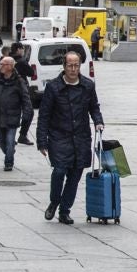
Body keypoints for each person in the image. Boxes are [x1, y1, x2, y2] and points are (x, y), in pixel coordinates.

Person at [36, 49, 103, 224]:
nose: (73, 69)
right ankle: (54, 201)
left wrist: (98, 121)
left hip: (81, 137)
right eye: (70, 65)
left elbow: (94, 107)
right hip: (59, 136)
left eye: (76, 65)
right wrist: (42, 141)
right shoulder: (53, 87)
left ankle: (64, 210)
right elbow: (44, 115)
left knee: (75, 176)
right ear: (64, 66)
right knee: (59, 171)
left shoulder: (88, 85)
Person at [0, 53, 35, 172]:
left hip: (12, 116)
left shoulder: (19, 81)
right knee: (0, 140)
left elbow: (25, 98)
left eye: (2, 64)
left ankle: (9, 162)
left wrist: (27, 113)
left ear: (10, 66)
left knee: (10, 140)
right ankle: (9, 152)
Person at [12, 43, 38, 145]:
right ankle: (22, 135)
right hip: (21, 90)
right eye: (23, 49)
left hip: (10, 90)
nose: (23, 51)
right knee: (29, 112)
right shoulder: (22, 61)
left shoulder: (8, 59)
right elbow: (31, 73)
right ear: (18, 50)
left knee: (12, 112)